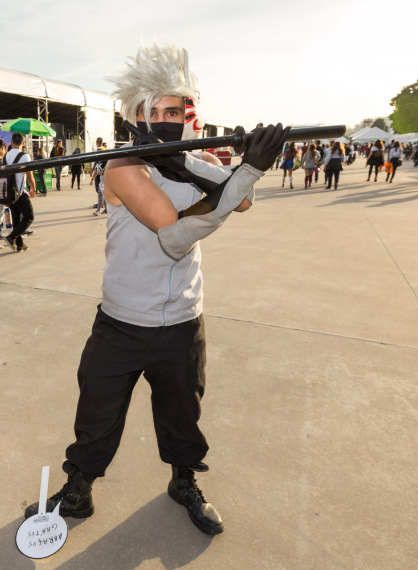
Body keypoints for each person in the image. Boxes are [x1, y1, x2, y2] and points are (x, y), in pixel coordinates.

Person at [23, 42, 288, 536]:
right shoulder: (123, 168)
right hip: (122, 320)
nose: (169, 119)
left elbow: (242, 202)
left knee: (182, 411)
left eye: (176, 109)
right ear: (137, 118)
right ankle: (78, 489)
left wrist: (208, 168)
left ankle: (183, 481)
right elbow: (174, 236)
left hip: (183, 319)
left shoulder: (190, 159)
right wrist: (242, 174)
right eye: (157, 112)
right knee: (97, 410)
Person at [3, 132, 36, 252]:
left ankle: (20, 245)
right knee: (29, 217)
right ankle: (11, 237)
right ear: (23, 143)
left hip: (9, 192)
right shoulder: (25, 156)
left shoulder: (5, 156)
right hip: (20, 192)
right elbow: (30, 176)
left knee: (16, 218)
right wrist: (33, 188)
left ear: (11, 143)